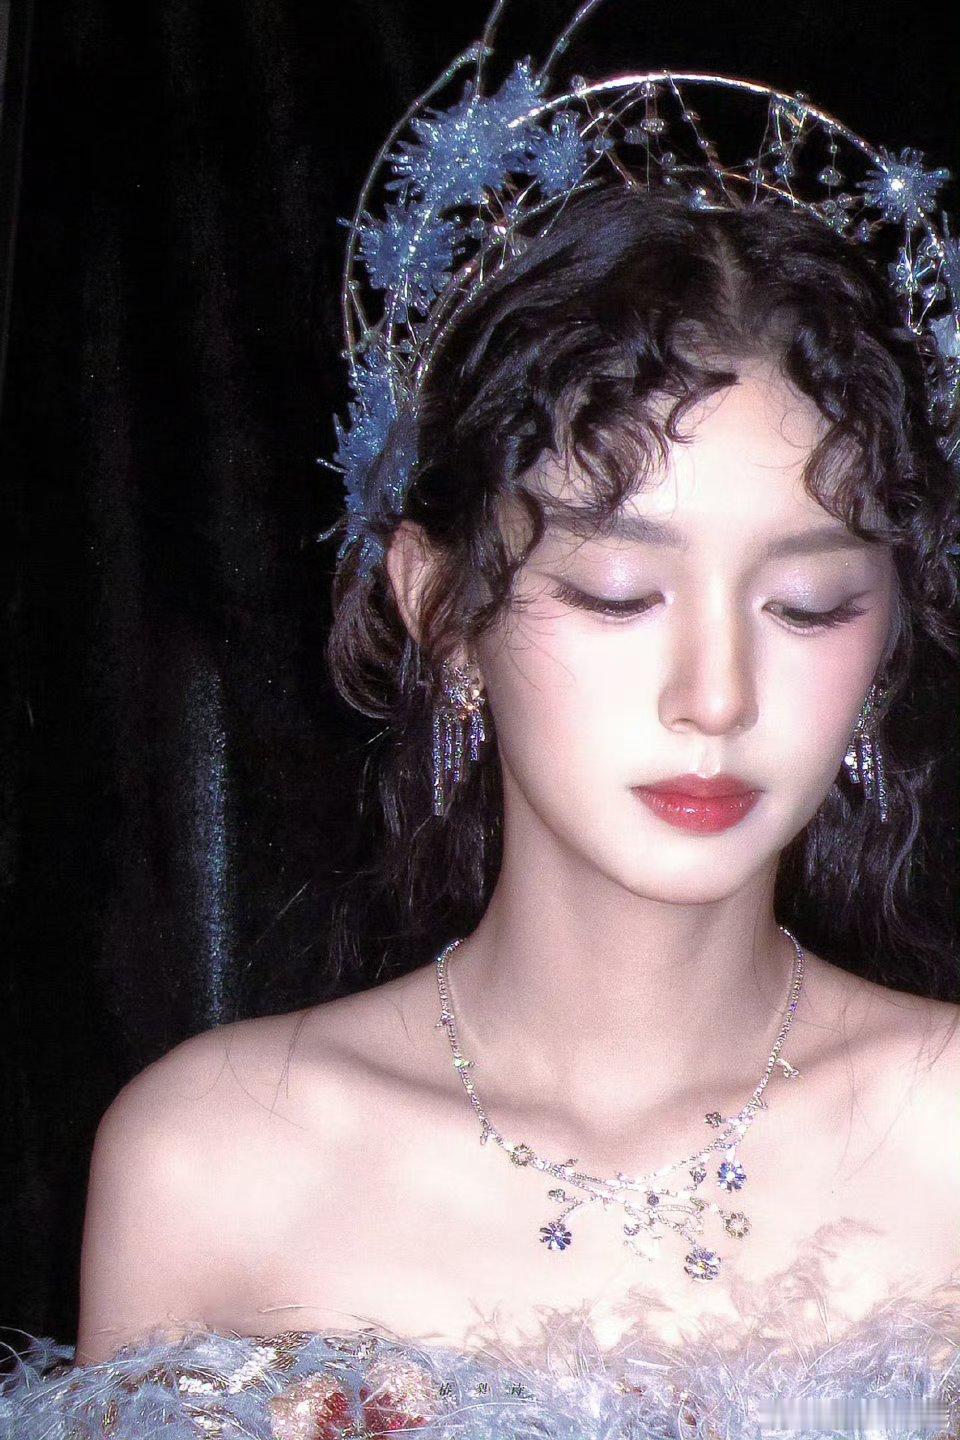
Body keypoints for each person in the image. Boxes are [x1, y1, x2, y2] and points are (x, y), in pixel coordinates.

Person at [3, 3, 960, 1435]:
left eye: (809, 606)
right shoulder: (217, 1165)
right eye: (619, 593)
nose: (716, 696)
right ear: (444, 609)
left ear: (884, 637)